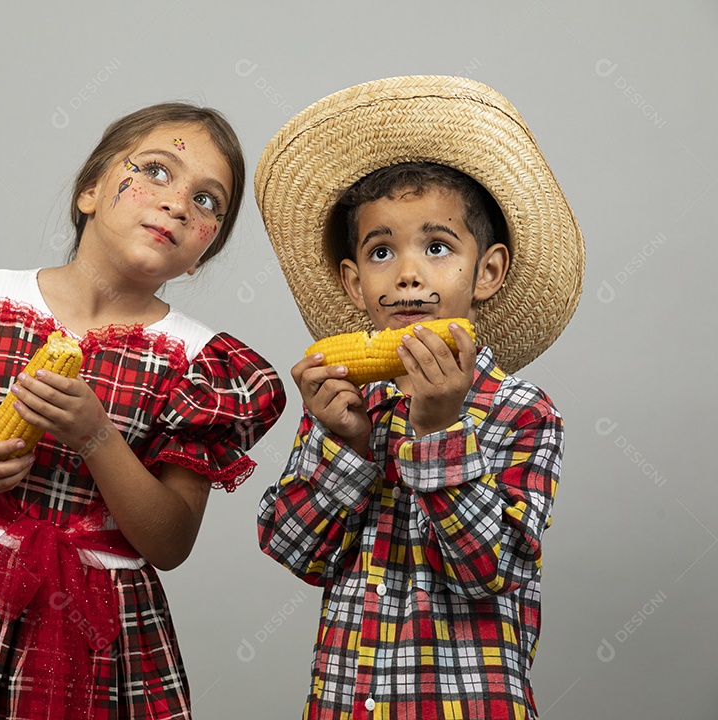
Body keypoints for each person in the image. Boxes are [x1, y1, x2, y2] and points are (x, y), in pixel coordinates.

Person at [0, 102, 286, 720]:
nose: (179, 204)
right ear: (89, 191)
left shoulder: (201, 368)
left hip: (106, 623)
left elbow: (170, 541)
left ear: (202, 254)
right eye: (156, 171)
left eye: (208, 201)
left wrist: (97, 436)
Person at [254, 76, 585, 719]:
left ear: (487, 271)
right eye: (381, 251)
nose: (408, 274)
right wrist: (347, 445)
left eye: (437, 247)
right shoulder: (343, 404)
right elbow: (295, 549)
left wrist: (438, 430)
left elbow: (489, 569)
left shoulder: (525, 412)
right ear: (355, 283)